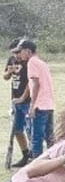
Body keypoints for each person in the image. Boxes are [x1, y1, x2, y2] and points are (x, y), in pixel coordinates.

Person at [13, 39, 54, 158]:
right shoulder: (42, 63)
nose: (19, 54)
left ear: (28, 51)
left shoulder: (32, 62)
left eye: (21, 51)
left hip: (39, 105)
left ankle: (37, 164)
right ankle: (54, 161)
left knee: (36, 139)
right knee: (50, 137)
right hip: (49, 104)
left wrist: (32, 105)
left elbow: (36, 84)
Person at [4, 38, 31, 167]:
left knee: (30, 130)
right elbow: (5, 77)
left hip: (28, 101)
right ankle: (25, 155)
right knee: (17, 130)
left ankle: (34, 155)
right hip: (15, 100)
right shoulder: (11, 60)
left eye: (17, 52)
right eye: (13, 53)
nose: (15, 55)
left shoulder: (28, 62)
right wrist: (9, 72)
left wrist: (23, 98)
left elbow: (31, 83)